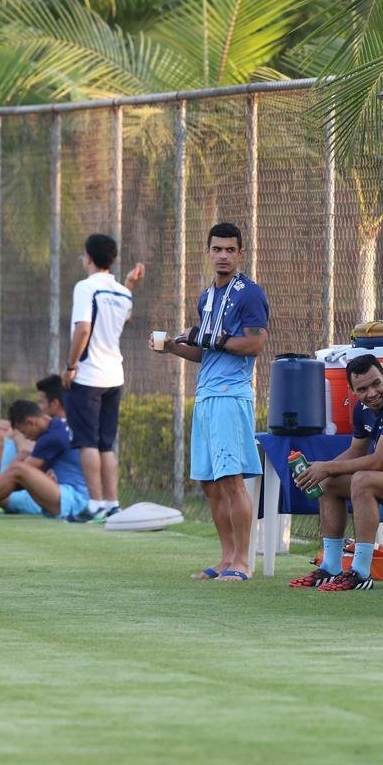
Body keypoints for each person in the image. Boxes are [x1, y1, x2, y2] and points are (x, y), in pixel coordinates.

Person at [150, 222, 268, 582]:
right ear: (208, 252)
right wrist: (173, 347)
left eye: (230, 250)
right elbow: (207, 351)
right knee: (209, 483)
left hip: (231, 396)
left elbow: (255, 343)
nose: (223, 256)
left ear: (241, 253)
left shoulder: (250, 293)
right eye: (217, 249)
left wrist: (209, 338)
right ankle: (226, 558)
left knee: (231, 480)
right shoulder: (207, 296)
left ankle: (243, 562)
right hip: (206, 396)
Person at [286, 355, 383, 592]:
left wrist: (326, 467)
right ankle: (330, 567)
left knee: (363, 479)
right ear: (352, 390)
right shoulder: (361, 410)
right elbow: (356, 451)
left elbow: (378, 462)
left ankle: (361, 572)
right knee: (329, 484)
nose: (372, 393)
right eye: (362, 389)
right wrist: (318, 473)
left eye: (376, 384)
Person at [62, 233, 145, 522]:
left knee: (87, 442)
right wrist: (130, 284)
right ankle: (112, 504)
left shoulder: (85, 287)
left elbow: (83, 328)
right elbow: (125, 317)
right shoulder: (122, 292)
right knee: (106, 444)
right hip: (114, 376)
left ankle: (95, 504)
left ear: (88, 257)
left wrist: (70, 365)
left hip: (88, 376)